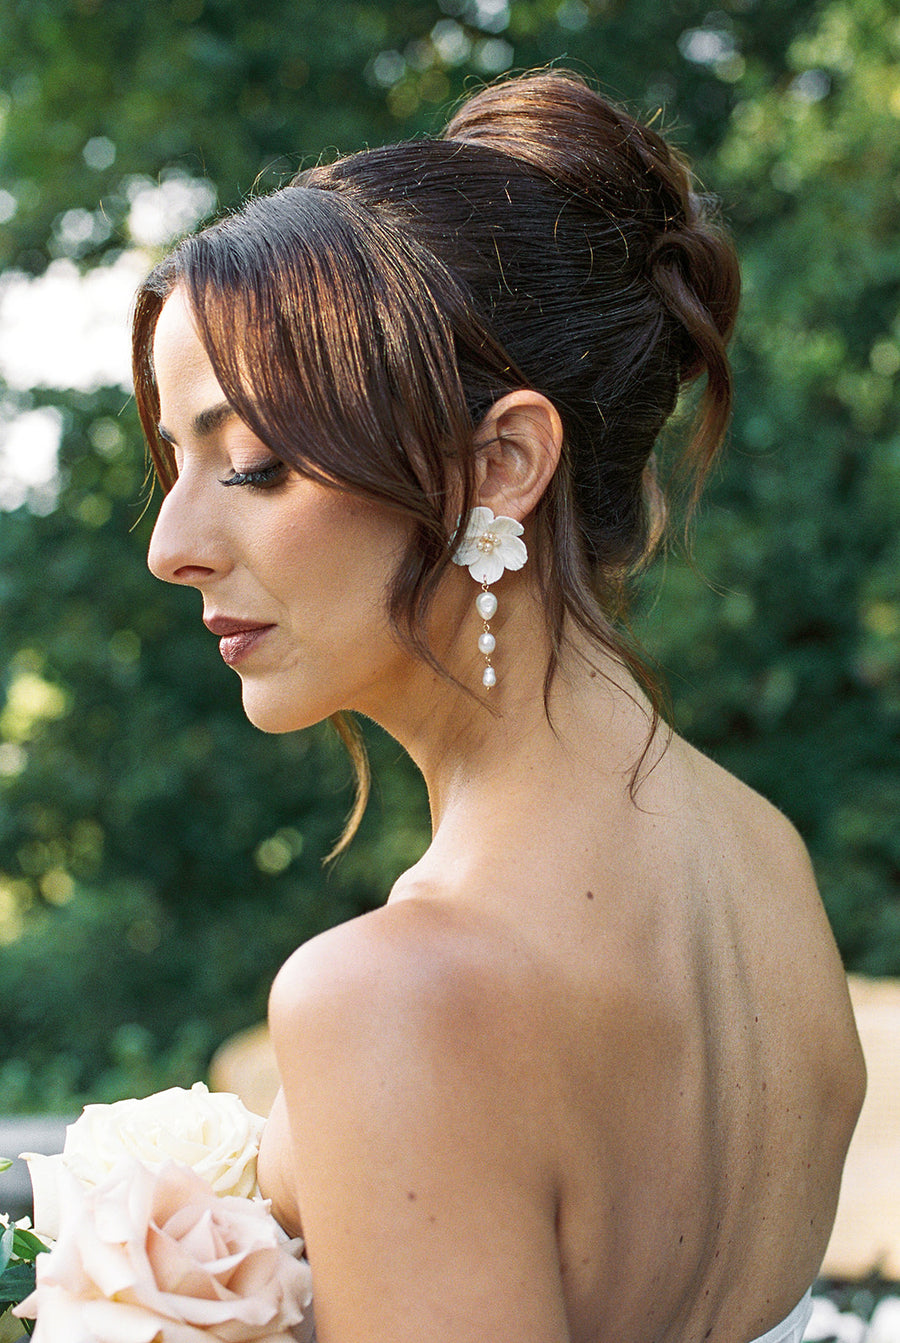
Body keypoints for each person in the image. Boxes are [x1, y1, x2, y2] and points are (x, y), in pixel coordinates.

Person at [133, 70, 865, 1343]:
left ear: (501, 464)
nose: (172, 543)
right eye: (173, 458)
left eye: (251, 463)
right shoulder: (769, 860)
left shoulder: (390, 999)